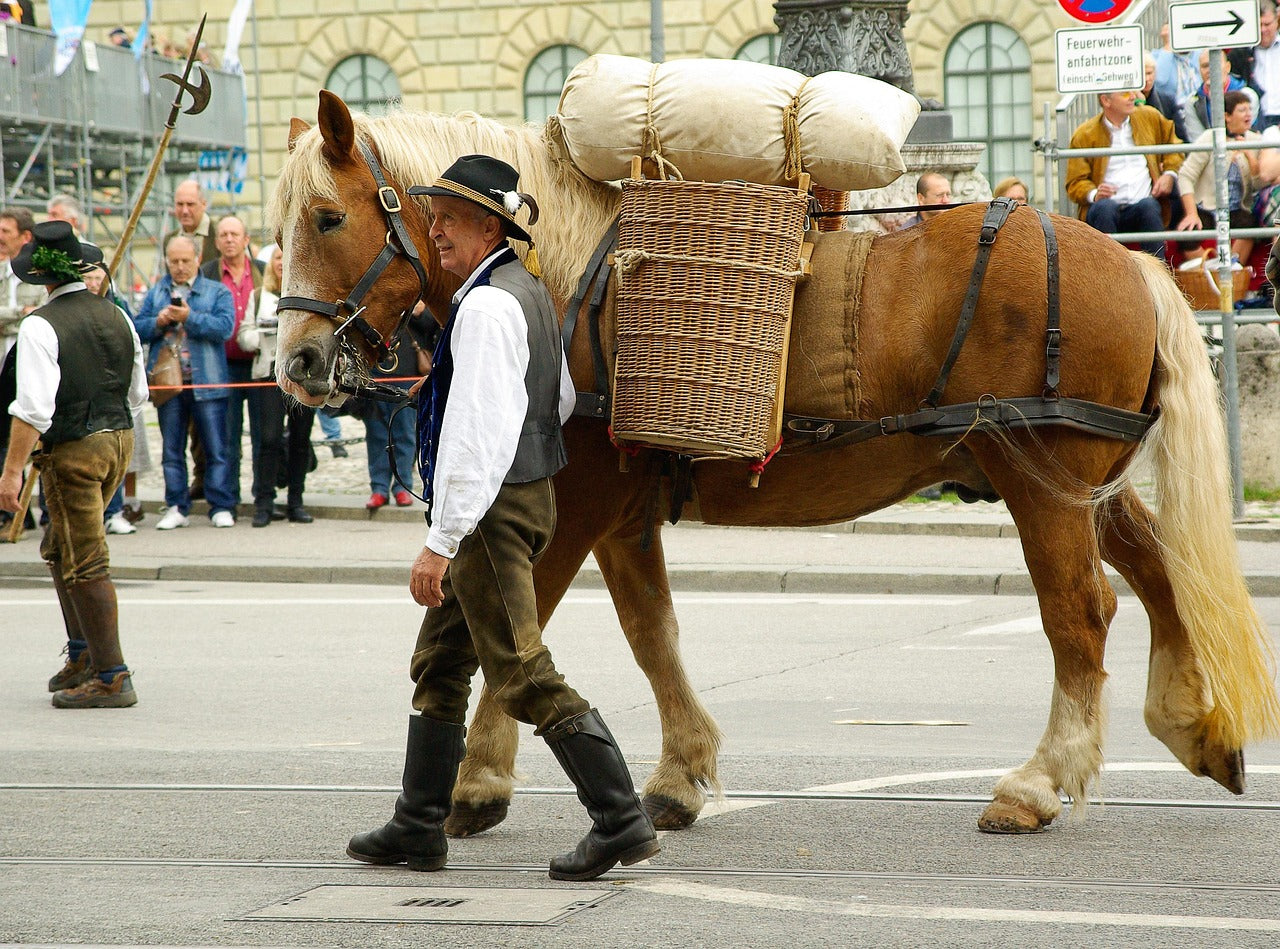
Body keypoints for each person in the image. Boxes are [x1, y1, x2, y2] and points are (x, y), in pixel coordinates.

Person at [347, 155, 658, 882]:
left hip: (488, 510)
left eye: (449, 219)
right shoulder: (527, 291)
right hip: (524, 495)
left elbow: (476, 435)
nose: (436, 231)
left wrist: (441, 540)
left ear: (490, 225)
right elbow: (555, 405)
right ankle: (419, 823)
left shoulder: (486, 306)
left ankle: (620, 818)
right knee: (441, 661)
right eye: (435, 217)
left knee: (519, 672)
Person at [0, 222, 147, 707]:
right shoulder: (117, 316)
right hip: (117, 440)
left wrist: (11, 472)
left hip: (74, 450)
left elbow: (33, 410)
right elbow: (137, 394)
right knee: (61, 548)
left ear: (41, 275)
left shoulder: (40, 325)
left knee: (85, 560)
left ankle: (112, 675)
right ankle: (84, 654)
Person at [133, 234, 236, 529]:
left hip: (208, 380)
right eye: (174, 261)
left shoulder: (216, 291)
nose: (179, 267)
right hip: (169, 383)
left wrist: (189, 317)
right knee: (171, 449)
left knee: (216, 448)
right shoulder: (156, 293)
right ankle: (176, 506)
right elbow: (137, 328)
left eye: (185, 261)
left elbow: (224, 328)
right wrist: (159, 321)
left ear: (197, 259)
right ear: (167, 260)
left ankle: (220, 505)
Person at [236, 245, 314, 527]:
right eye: (279, 257)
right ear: (271, 263)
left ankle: (296, 501)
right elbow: (243, 336)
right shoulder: (259, 297)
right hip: (267, 375)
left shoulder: (309, 293)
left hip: (301, 376)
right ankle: (264, 503)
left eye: (289, 257)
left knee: (300, 441)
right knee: (267, 440)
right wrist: (262, 336)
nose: (283, 263)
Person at [1066, 90, 1185, 260]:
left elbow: (1174, 147)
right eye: (1124, 94)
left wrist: (1169, 174)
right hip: (1105, 209)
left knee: (1149, 207)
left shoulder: (1150, 117)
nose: (1132, 97)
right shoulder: (1085, 134)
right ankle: (1108, 276)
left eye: (1132, 91)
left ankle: (1160, 275)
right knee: (1105, 208)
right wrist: (1094, 193)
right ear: (1105, 101)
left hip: (1142, 204)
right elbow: (1075, 181)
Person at [201, 215, 263, 516]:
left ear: (246, 239)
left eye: (234, 234)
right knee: (227, 436)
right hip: (222, 365)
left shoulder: (262, 273)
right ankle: (231, 497)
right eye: (223, 235)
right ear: (217, 242)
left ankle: (262, 496)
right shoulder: (208, 273)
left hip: (259, 367)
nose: (228, 239)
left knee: (265, 435)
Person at [83, 263, 151, 536]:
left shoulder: (118, 310)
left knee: (113, 456)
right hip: (80, 397)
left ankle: (113, 511)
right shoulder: (69, 310)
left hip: (113, 395)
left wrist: (132, 401)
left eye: (97, 277)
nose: (92, 283)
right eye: (87, 277)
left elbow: (133, 353)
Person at [1177, 90, 1263, 264]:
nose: (1248, 114)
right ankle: (1210, 273)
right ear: (1227, 116)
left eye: (1249, 109)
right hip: (1207, 206)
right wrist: (1191, 213)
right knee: (1188, 235)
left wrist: (1249, 155)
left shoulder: (1255, 139)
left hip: (1237, 208)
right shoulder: (1210, 138)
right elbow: (1186, 176)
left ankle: (1232, 272)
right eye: (1242, 110)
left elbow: (1258, 184)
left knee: (1250, 226)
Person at [361, 324, 420, 511]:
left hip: (407, 370)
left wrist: (420, 314)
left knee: (405, 434)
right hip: (375, 370)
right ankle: (379, 488)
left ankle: (403, 487)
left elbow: (431, 325)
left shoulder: (418, 300)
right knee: (376, 432)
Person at [0, 207, 44, 363]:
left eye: (6, 232)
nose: (0, 236)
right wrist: (22, 312)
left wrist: (4, 327)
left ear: (26, 236)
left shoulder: (41, 277)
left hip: (29, 360)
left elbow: (43, 317)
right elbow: (30, 314)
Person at [1182, 49, 1256, 140]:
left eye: (1215, 64)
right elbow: (1198, 141)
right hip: (1207, 152)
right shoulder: (1192, 102)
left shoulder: (1248, 95)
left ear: (1228, 67)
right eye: (1205, 66)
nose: (1210, 70)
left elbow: (1247, 132)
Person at [1230, 2, 1280, 129]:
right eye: (1259, 25)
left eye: (1267, 24)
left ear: (1277, 21)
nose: (1263, 30)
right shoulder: (1240, 54)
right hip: (1253, 122)